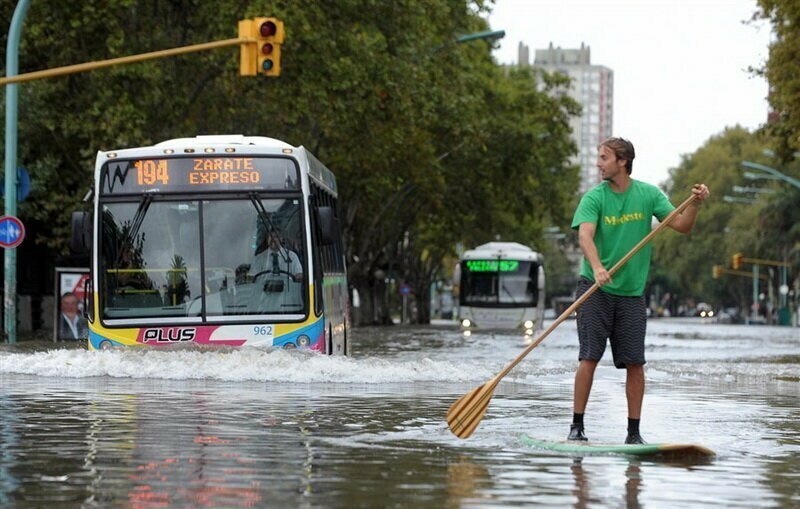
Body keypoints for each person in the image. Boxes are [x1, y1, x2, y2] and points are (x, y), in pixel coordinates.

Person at [568, 137, 710, 444]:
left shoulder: (648, 195)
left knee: (635, 362)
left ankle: (634, 432)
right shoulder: (594, 198)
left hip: (631, 294)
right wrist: (597, 267)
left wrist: (695, 204)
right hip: (595, 288)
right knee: (589, 357)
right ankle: (576, 426)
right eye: (599, 157)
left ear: (622, 161)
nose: (598, 162)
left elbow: (683, 225)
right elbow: (585, 238)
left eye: (604, 157)